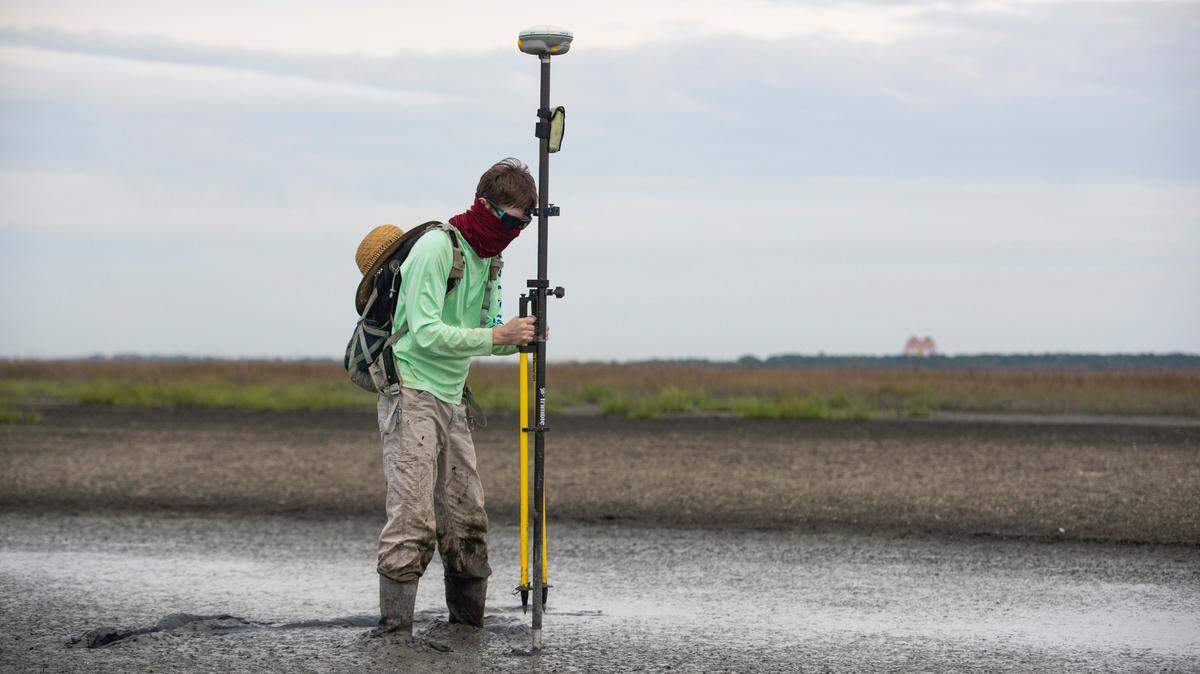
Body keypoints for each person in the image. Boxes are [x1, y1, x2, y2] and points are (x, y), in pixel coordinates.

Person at [354, 158, 542, 636]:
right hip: (411, 389)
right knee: (412, 517)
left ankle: (467, 628)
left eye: (523, 225)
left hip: (453, 396)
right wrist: (498, 337)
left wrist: (519, 338)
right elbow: (424, 333)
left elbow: (480, 333)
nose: (514, 233)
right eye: (510, 221)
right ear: (483, 205)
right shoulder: (437, 248)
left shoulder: (489, 259)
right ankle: (395, 633)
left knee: (466, 516)